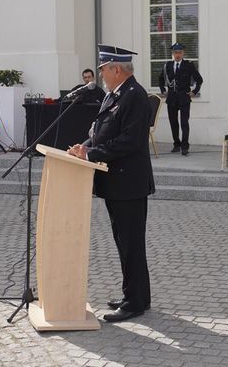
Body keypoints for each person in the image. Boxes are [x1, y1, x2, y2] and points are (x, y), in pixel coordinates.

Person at [68, 44, 155, 323]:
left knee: (131, 244)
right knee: (124, 242)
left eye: (104, 69)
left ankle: (134, 302)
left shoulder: (135, 96)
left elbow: (130, 140)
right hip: (116, 183)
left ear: (117, 69)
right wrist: (84, 147)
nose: (101, 74)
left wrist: (91, 154)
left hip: (129, 183)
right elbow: (101, 132)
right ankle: (138, 295)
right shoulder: (114, 95)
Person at [158, 42, 203, 156]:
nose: (177, 55)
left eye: (179, 52)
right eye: (175, 53)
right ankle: (176, 144)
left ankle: (185, 146)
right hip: (171, 98)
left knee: (184, 123)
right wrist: (163, 90)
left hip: (184, 98)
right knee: (173, 122)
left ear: (183, 53)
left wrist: (194, 91)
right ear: (173, 54)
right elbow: (160, 79)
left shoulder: (189, 65)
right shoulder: (167, 65)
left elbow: (199, 80)